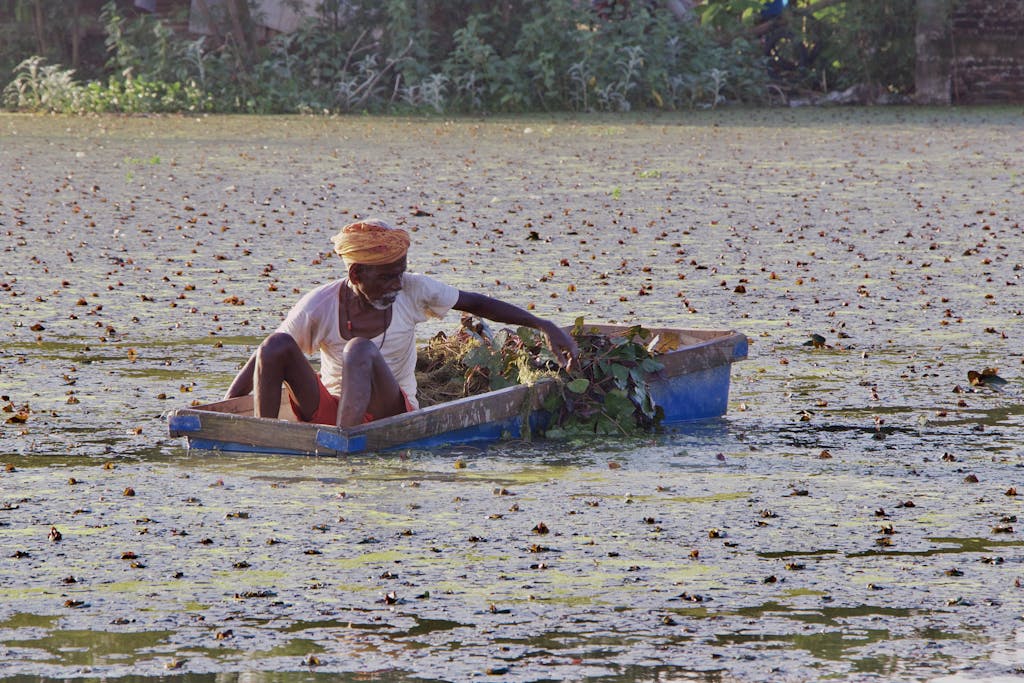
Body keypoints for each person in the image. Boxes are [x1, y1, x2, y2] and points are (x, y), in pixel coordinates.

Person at [225, 218, 578, 428]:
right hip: (329, 407)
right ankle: (264, 433)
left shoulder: (413, 290)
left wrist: (543, 324)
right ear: (356, 273)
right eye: (386, 277)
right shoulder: (319, 304)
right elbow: (267, 356)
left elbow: (477, 303)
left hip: (388, 408)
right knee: (276, 343)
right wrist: (227, 404)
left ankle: (345, 445)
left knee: (359, 350)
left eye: (400, 274)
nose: (396, 285)